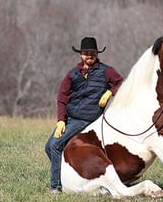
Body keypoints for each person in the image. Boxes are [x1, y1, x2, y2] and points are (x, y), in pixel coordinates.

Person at [45, 37, 123, 194]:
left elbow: (121, 82)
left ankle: (56, 187)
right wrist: (61, 121)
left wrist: (109, 92)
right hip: (70, 118)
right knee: (49, 147)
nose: (89, 56)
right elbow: (62, 98)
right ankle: (71, 176)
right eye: (86, 53)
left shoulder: (106, 71)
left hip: (87, 119)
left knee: (55, 145)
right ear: (80, 55)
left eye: (92, 53)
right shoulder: (72, 74)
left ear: (97, 54)